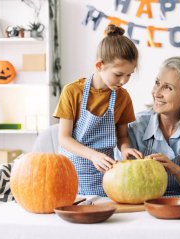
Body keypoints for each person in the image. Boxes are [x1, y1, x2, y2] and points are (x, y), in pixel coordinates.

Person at [53, 24, 142, 196]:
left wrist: (125, 149)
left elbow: (122, 136)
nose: (124, 81)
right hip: (70, 174)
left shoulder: (123, 97)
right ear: (100, 65)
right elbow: (64, 139)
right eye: (118, 74)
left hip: (105, 177)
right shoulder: (72, 91)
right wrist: (93, 155)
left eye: (129, 74)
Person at [126, 56, 180, 197]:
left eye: (167, 87)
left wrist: (175, 169)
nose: (156, 93)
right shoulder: (135, 126)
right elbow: (125, 182)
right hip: (144, 206)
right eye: (157, 83)